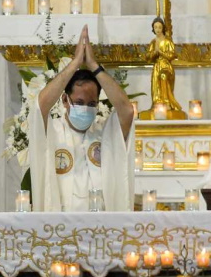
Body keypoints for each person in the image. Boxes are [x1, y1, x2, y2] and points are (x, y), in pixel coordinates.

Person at [29, 25, 136, 213]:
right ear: (65, 100)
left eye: (92, 104)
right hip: (59, 229)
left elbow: (127, 111)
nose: (86, 108)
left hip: (102, 230)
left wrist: (93, 65)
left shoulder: (106, 134)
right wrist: (75, 63)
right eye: (79, 102)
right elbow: (40, 107)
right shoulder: (52, 132)